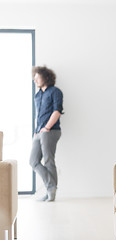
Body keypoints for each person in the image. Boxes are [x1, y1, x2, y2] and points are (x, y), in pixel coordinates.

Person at [29, 66, 63, 202]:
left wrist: (47, 128)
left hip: (51, 130)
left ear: (46, 77)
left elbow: (57, 111)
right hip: (39, 132)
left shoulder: (55, 91)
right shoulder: (38, 95)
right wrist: (37, 131)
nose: (35, 79)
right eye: (34, 77)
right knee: (33, 161)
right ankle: (51, 187)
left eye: (37, 77)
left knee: (49, 160)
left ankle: (51, 192)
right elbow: (38, 115)